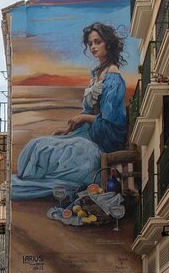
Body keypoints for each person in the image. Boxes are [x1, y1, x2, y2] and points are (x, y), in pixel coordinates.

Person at [11, 22, 128, 200]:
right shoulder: (97, 73)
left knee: (69, 153)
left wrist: (84, 118)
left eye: (98, 42)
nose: (93, 47)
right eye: (90, 44)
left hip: (104, 138)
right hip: (87, 133)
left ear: (108, 43)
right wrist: (68, 131)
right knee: (37, 145)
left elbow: (110, 121)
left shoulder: (114, 77)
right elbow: (88, 112)